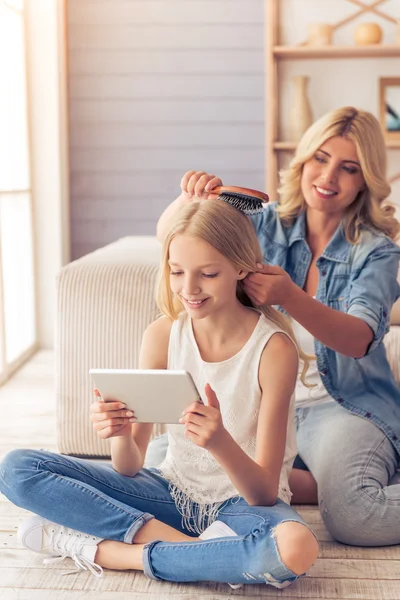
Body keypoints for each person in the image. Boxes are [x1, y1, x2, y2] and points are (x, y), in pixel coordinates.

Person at [0, 200, 318, 586]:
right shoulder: (163, 336)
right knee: (17, 468)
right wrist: (119, 435)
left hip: (240, 506)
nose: (189, 289)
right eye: (177, 271)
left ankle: (114, 553)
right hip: (170, 492)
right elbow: (129, 468)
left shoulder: (273, 349)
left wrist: (219, 442)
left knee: (296, 547)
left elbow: (264, 494)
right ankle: (195, 550)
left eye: (208, 273)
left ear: (241, 268)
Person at [155, 106, 400, 547]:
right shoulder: (264, 223)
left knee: (355, 518)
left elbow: (359, 338)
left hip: (340, 405)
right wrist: (187, 202)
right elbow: (177, 242)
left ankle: (326, 484)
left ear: (366, 180)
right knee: (166, 473)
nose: (328, 176)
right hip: (255, 399)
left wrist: (291, 297)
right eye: (320, 159)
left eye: (349, 168)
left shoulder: (376, 252)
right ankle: (304, 481)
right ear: (303, 161)